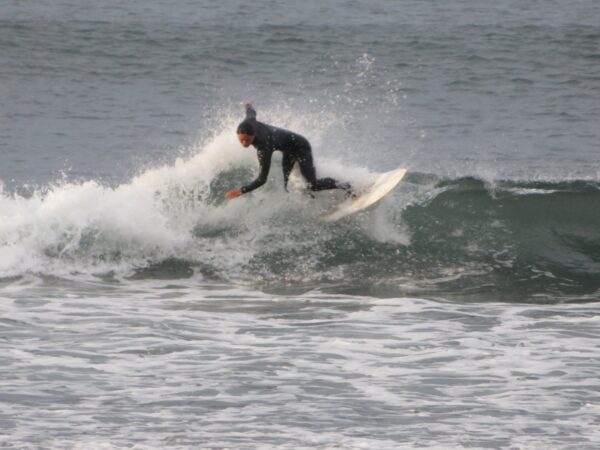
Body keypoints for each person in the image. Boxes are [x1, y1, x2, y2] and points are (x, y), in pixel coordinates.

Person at [225, 102, 352, 200]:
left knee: (313, 185)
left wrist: (241, 191)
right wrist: (248, 104)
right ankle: (313, 201)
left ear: (253, 135)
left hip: (301, 146)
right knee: (285, 184)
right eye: (241, 140)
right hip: (288, 150)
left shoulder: (264, 147)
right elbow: (251, 112)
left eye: (247, 140)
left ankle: (347, 186)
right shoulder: (248, 121)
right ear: (237, 134)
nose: (244, 143)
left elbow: (262, 179)